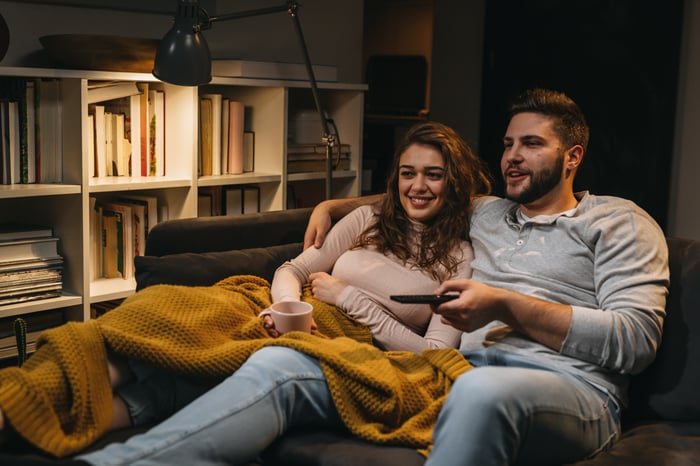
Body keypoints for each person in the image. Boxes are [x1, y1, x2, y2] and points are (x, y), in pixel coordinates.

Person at [2, 88, 669, 466]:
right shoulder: (489, 213)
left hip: (568, 393)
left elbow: (635, 343)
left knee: (483, 396)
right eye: (509, 143)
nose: (514, 156)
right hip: (454, 374)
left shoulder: (618, 223)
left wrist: (506, 304)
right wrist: (328, 206)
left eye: (533, 144)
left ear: (573, 155)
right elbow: (414, 192)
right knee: (280, 366)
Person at [0, 120, 492, 460]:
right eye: (408, 173)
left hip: (335, 337)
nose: (418, 186)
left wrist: (349, 298)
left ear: (454, 182)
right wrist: (285, 305)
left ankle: (24, 418)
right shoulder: (366, 219)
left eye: (433, 174)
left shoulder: (460, 260)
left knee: (181, 375)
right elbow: (295, 268)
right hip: (274, 308)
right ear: (396, 178)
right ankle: (19, 402)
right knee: (156, 311)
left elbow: (431, 356)